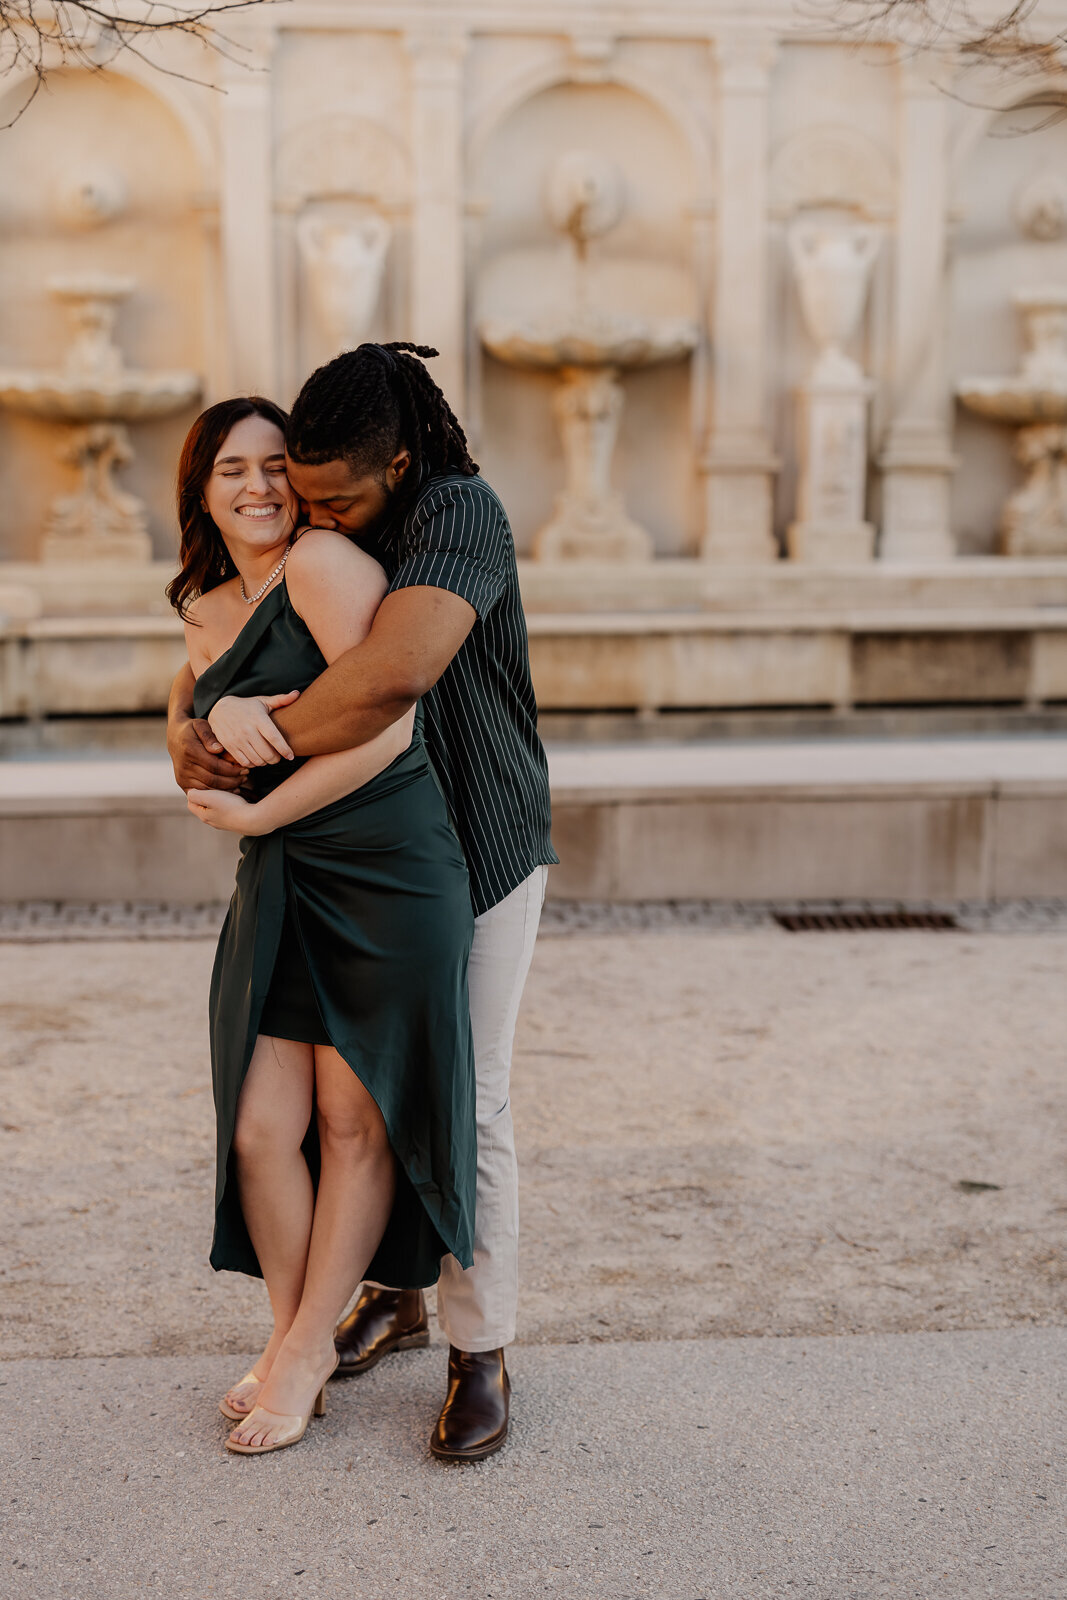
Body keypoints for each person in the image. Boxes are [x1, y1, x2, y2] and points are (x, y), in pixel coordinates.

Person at [168, 342, 556, 1462]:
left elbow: (392, 680)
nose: (307, 505)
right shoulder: (320, 534)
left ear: (397, 460)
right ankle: (392, 1294)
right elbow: (207, 679)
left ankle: (479, 1349)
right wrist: (200, 732)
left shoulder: (458, 513)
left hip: (476, 839)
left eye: (328, 489)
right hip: (346, 839)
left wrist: (255, 748)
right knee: (347, 1104)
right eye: (298, 482)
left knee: (464, 1099)